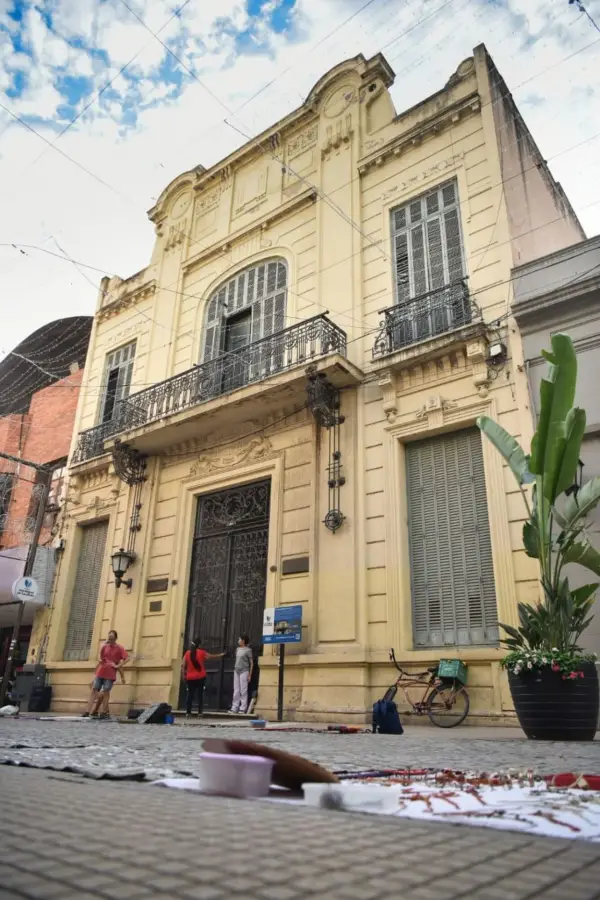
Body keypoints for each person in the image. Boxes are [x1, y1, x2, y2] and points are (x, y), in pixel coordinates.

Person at [84, 630, 128, 720]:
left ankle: (104, 713)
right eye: (109, 638)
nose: (110, 640)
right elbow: (100, 659)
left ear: (115, 638)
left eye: (112, 638)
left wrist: (118, 666)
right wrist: (96, 671)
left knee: (106, 692)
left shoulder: (120, 648)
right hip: (101, 672)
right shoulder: (105, 647)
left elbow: (127, 658)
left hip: (110, 673)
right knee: (94, 690)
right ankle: (87, 711)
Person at [181, 637, 225, 718]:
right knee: (200, 695)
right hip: (200, 677)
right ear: (199, 645)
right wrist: (221, 655)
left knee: (190, 695)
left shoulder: (187, 653)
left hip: (190, 678)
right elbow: (210, 657)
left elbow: (183, 665)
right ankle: (200, 713)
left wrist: (183, 675)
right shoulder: (202, 652)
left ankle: (188, 713)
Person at [230, 634, 253, 715]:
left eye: (239, 639)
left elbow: (251, 663)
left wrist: (250, 674)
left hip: (244, 671)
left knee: (243, 690)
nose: (238, 641)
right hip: (236, 670)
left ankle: (243, 708)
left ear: (243, 641)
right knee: (236, 690)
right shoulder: (237, 649)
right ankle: (234, 707)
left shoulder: (248, 650)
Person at [247, 647, 260, 715]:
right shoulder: (253, 656)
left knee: (251, 692)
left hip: (253, 676)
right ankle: (249, 708)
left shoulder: (252, 657)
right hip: (252, 676)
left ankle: (250, 708)